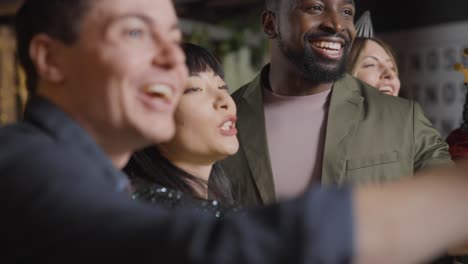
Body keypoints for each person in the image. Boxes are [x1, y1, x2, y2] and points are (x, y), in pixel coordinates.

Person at [4, 0, 468, 263]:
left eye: (171, 36)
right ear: (50, 59)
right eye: (135, 33)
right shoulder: (20, 166)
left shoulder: (117, 183)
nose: (171, 60)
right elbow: (200, 250)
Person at [221, 0, 451, 206]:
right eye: (316, 7)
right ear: (271, 24)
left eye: (347, 11)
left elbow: (454, 211)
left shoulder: (403, 119)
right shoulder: (223, 120)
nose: (337, 24)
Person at [125, 43, 239, 217]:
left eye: (222, 87)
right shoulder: (147, 217)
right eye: (194, 89)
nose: (224, 100)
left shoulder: (217, 210)